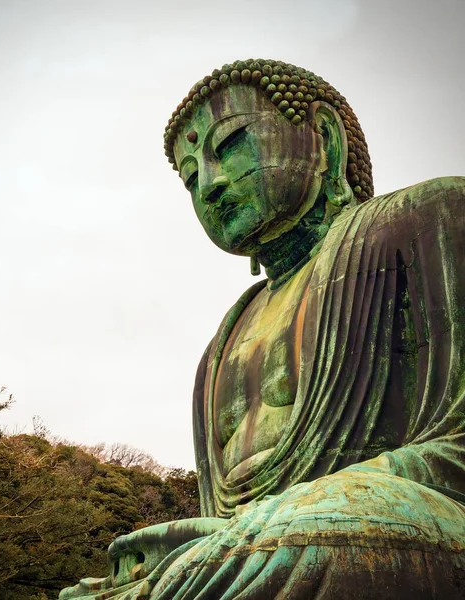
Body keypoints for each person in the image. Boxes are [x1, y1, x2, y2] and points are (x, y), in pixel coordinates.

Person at [60, 59, 465, 600]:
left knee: (303, 547)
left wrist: (303, 507)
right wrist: (201, 540)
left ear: (322, 139)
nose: (210, 184)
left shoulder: (431, 218)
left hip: (376, 525)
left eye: (230, 146)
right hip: (253, 546)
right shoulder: (220, 348)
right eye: (190, 176)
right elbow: (225, 522)